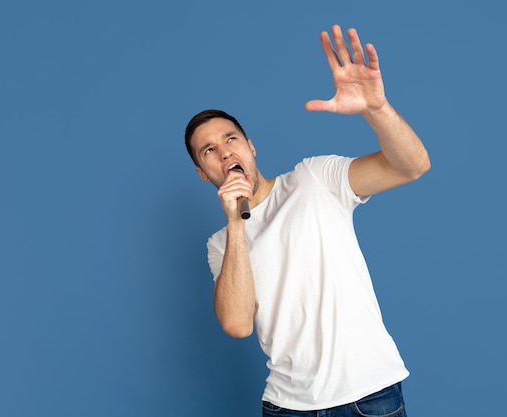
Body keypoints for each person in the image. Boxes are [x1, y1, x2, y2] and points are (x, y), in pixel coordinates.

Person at [184, 25, 430, 417]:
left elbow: (412, 166)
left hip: (370, 396)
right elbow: (237, 325)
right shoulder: (221, 244)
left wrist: (377, 109)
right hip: (288, 407)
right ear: (203, 172)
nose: (223, 152)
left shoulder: (313, 178)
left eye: (231, 139)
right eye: (208, 150)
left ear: (250, 146)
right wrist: (236, 224)